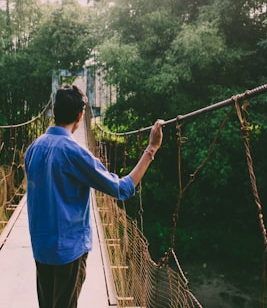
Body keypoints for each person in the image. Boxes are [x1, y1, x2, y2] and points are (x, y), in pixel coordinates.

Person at [24, 85, 164, 308]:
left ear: (52, 110)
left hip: (41, 248)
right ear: (81, 115)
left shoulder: (33, 149)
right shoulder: (75, 153)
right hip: (68, 253)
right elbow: (122, 189)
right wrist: (151, 150)